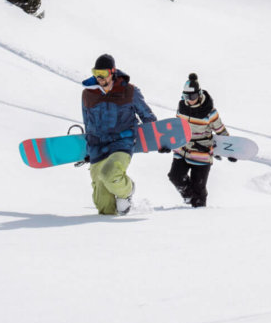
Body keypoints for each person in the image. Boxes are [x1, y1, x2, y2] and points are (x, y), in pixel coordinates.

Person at [81, 53, 157, 215]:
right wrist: (87, 150)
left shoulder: (130, 91)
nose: (99, 78)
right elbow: (87, 123)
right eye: (96, 74)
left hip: (121, 144)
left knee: (109, 174)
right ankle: (113, 232)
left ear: (112, 72)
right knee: (104, 207)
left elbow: (147, 117)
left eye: (102, 74)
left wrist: (160, 139)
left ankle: (127, 191)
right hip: (97, 147)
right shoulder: (88, 94)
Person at [168, 73, 233, 208]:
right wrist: (167, 144)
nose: (189, 100)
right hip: (182, 149)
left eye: (192, 96)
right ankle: (189, 197)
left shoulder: (209, 112)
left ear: (199, 94)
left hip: (201, 153)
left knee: (199, 187)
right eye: (186, 96)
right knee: (175, 176)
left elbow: (220, 131)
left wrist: (231, 149)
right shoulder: (182, 107)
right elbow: (176, 127)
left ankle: (199, 209)